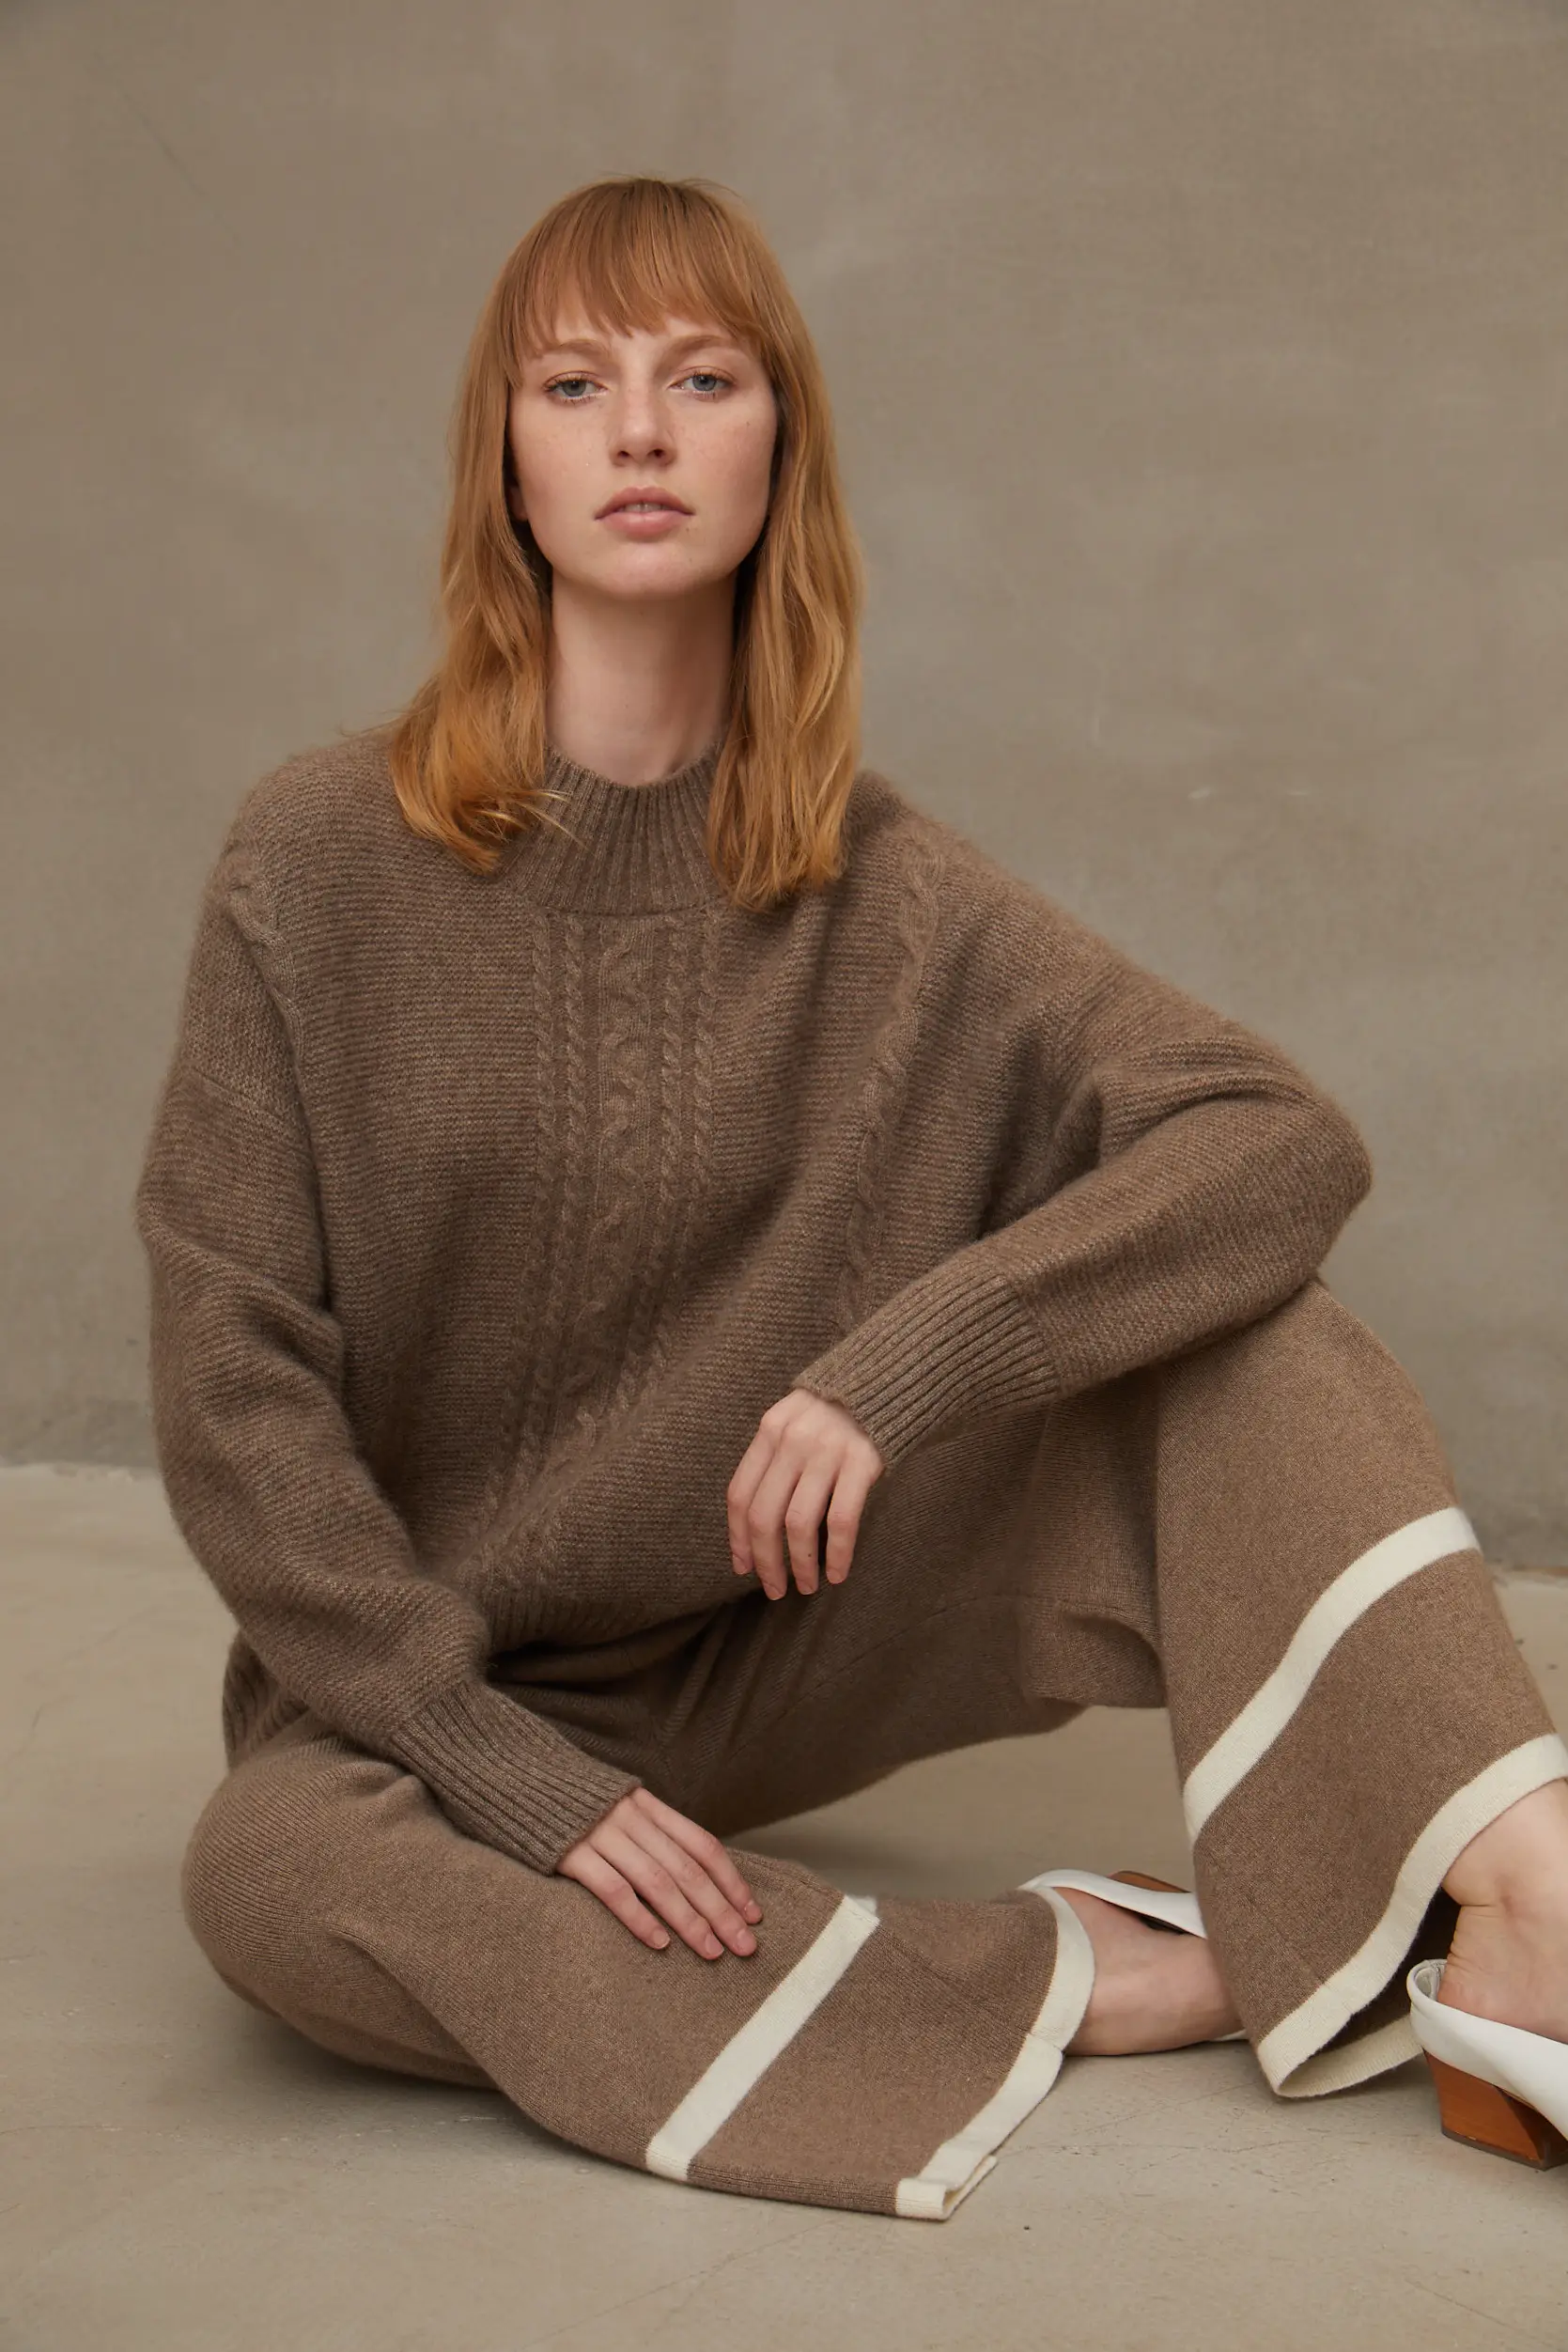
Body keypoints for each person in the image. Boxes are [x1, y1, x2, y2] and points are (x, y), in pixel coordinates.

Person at [133, 173, 1568, 2220]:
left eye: (702, 379)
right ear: (505, 463)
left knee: (1257, 1335)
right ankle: (1082, 1975)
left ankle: (1534, 1908)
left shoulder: (883, 891)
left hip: (762, 1643)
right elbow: (234, 1384)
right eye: (575, 384)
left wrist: (895, 1373)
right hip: (416, 1702)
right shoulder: (315, 862)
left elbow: (1274, 1136)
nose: (640, 432)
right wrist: (503, 1772)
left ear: (777, 447)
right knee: (266, 1875)